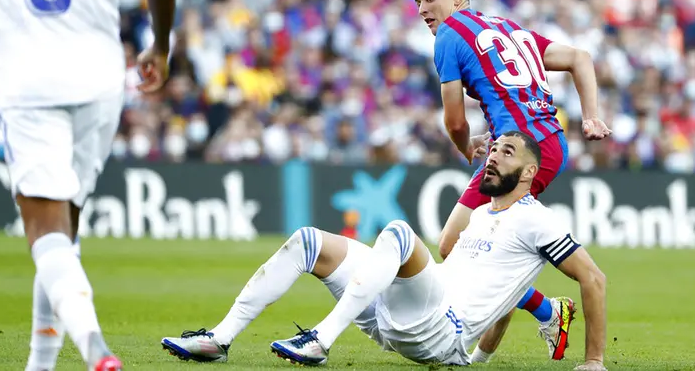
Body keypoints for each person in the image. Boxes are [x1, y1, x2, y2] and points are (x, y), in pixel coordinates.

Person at [160, 131, 609, 371]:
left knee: (397, 232)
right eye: (493, 149)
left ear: (530, 171)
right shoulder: (482, 216)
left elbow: (594, 278)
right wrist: (476, 363)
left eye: (506, 153)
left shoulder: (537, 219)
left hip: (438, 328)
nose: (492, 157)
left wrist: (594, 363)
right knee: (307, 242)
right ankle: (218, 340)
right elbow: (504, 296)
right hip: (403, 320)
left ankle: (320, 341)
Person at [0, 0, 177, 369]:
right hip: (100, 80)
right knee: (65, 227)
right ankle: (41, 363)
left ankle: (93, 345)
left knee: (46, 233)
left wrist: (9, 39)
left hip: (30, 81)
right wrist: (160, 47)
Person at [409, 0, 612, 359]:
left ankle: (546, 315)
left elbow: (453, 120)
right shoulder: (505, 27)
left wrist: (467, 147)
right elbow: (579, 58)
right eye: (417, 1)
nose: (422, 10)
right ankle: (525, 326)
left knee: (455, 246)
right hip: (545, 143)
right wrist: (591, 116)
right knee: (472, 248)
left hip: (520, 149)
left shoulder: (449, 35)